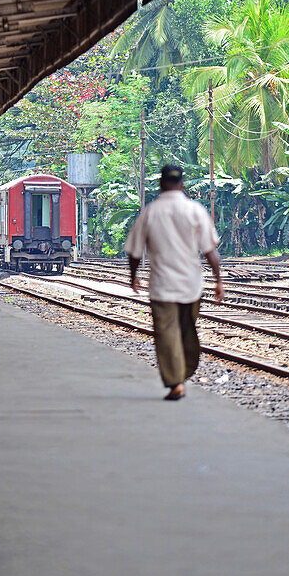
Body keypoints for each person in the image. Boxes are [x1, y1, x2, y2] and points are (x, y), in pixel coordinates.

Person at [124, 164, 224, 401]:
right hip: (191, 284)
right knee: (187, 329)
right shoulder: (195, 210)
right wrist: (218, 281)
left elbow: (135, 253)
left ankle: (176, 378)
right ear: (182, 184)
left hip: (162, 285)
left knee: (167, 333)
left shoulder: (150, 212)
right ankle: (181, 375)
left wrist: (133, 276)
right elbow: (210, 251)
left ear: (161, 184)